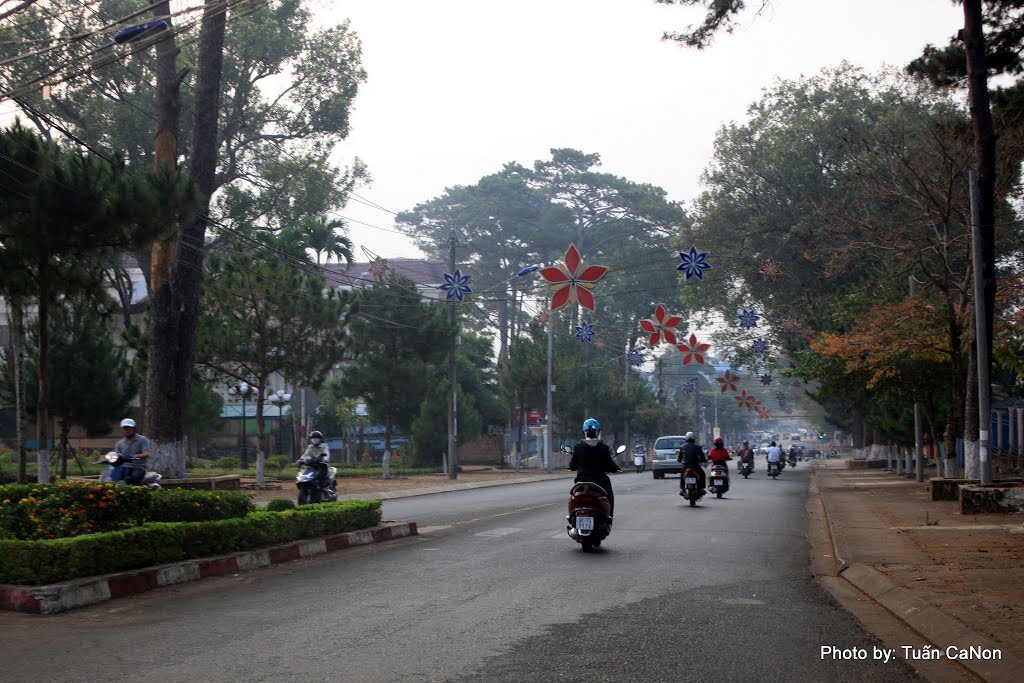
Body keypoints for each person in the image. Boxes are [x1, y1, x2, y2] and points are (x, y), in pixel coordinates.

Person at [569, 418, 620, 518]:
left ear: (584, 432)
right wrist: (615, 468)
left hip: (581, 482)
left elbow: (573, 465)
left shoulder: (578, 447)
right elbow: (609, 465)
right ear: (598, 432)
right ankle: (608, 517)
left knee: (573, 496)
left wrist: (572, 466)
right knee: (609, 496)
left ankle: (572, 516)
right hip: (600, 482)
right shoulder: (604, 448)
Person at [113, 418, 150, 483]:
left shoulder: (143, 440)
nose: (127, 430)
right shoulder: (119, 443)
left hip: (138, 467)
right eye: (125, 428)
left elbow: (146, 453)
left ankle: (137, 492)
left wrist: (137, 456)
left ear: (134, 429)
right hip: (124, 467)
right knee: (113, 477)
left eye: (129, 428)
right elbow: (116, 455)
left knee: (134, 477)